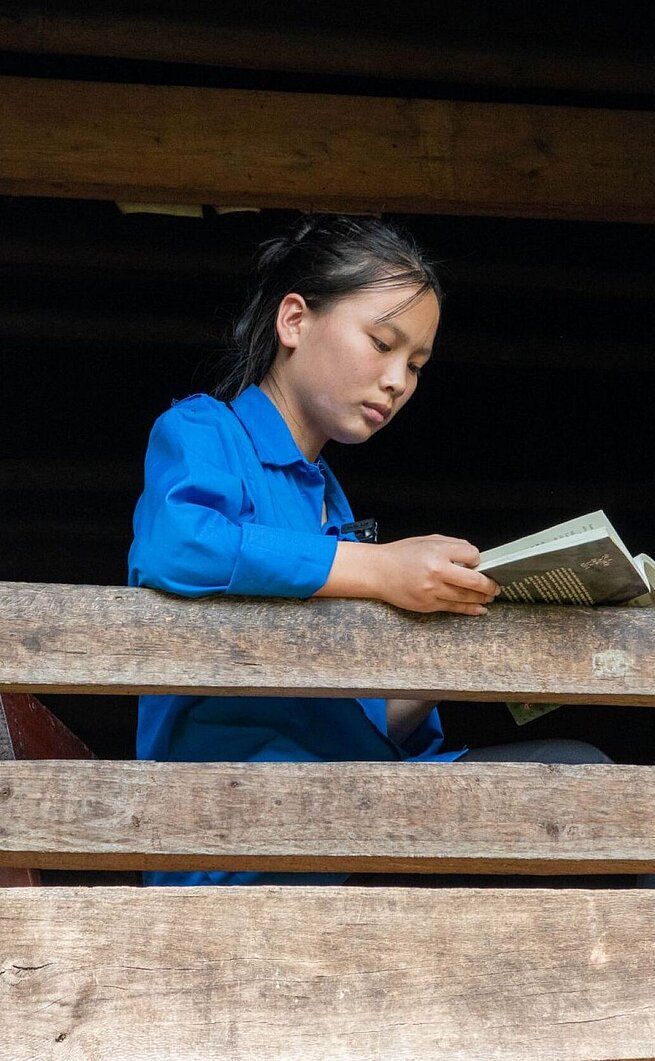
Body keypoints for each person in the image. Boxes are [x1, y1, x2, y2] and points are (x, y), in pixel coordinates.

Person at [129, 214, 616, 888]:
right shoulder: (205, 431)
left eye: (415, 365)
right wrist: (382, 569)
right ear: (294, 321)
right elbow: (181, 545)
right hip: (236, 832)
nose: (397, 380)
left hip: (348, 815)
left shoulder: (333, 504)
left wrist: (454, 650)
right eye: (382, 343)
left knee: (591, 800)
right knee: (581, 784)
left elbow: (349, 719)